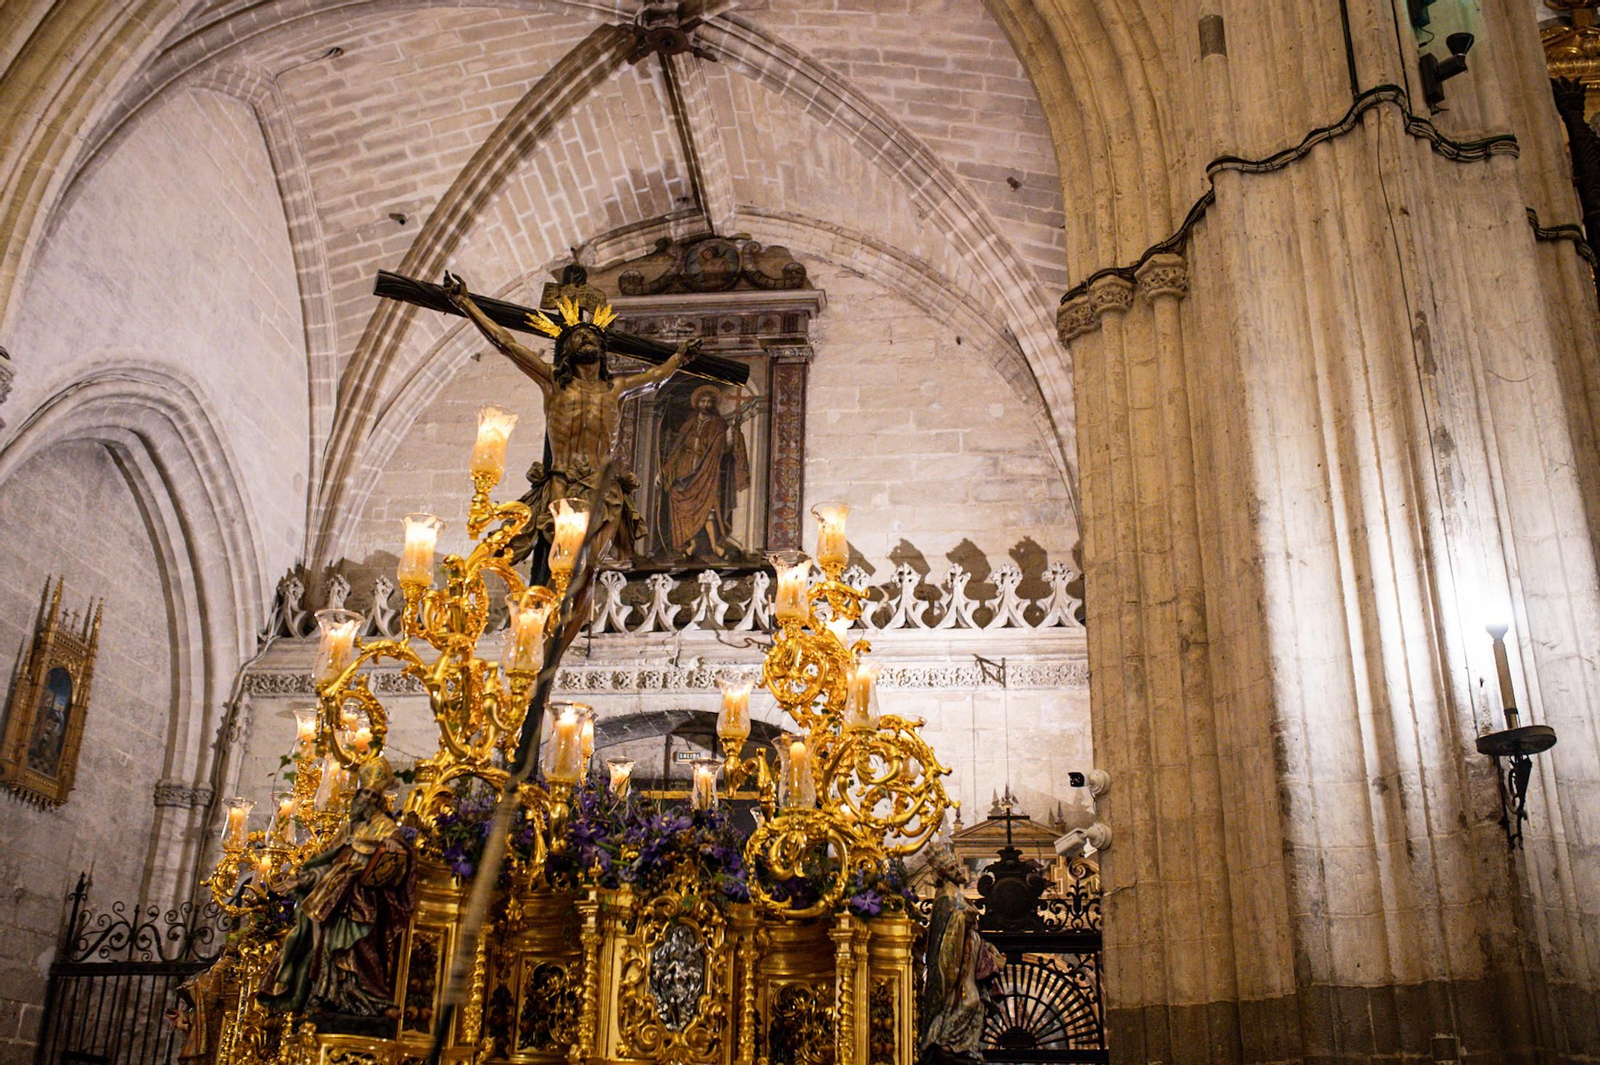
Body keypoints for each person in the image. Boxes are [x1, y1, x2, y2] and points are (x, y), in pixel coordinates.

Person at [442, 273, 699, 641]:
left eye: (592, 335)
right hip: (559, 485)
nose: (586, 338)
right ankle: (537, 633)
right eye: (578, 336)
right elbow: (506, 343)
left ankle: (558, 643)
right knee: (552, 569)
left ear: (602, 348)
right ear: (566, 349)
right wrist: (465, 303)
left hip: (603, 493)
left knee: (586, 571)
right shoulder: (552, 382)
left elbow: (657, 376)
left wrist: (679, 356)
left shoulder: (617, 388)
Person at [260, 756, 416, 1019]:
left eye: (371, 794)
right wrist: (299, 880)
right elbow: (327, 865)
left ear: (379, 801)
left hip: (363, 898)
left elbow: (401, 858)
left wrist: (394, 849)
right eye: (363, 792)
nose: (365, 798)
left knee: (360, 946)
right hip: (333, 896)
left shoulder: (387, 827)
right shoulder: (348, 829)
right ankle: (326, 994)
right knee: (324, 946)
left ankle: (371, 997)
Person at [920, 844, 1004, 1064]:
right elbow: (945, 933)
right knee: (970, 1001)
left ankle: (965, 1045)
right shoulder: (944, 897)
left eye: (956, 865)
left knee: (976, 1003)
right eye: (952, 867)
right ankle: (945, 1039)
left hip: (968, 955)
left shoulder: (956, 893)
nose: (959, 870)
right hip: (957, 961)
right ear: (943, 872)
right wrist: (964, 916)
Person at [658, 384, 750, 559]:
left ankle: (715, 546)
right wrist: (665, 471)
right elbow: (677, 450)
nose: (706, 404)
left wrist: (732, 433)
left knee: (709, 508)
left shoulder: (718, 424)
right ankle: (691, 545)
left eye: (709, 401)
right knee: (687, 510)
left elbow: (724, 448)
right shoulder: (689, 424)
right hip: (684, 471)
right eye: (703, 400)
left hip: (708, 471)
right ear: (697, 403)